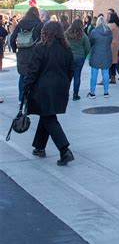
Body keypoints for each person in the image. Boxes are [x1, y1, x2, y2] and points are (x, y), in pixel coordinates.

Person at [23, 21, 75, 166]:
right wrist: (65, 83)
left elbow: (33, 71)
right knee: (46, 115)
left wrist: (26, 88)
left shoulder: (41, 48)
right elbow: (71, 70)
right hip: (60, 87)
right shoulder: (66, 49)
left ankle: (65, 149)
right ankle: (39, 147)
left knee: (49, 117)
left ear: (45, 32)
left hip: (43, 89)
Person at [10, 6, 43, 102]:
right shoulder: (39, 24)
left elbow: (12, 39)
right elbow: (42, 40)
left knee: (22, 76)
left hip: (22, 54)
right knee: (34, 77)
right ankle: (31, 98)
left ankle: (21, 97)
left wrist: (15, 49)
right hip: (35, 54)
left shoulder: (21, 23)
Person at [65, 18, 91, 101]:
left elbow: (63, 43)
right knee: (77, 76)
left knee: (68, 76)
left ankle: (65, 94)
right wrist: (84, 55)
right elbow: (87, 47)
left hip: (69, 57)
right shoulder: (83, 35)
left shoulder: (67, 33)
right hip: (80, 57)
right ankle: (75, 95)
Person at [88, 15, 112, 98]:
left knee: (94, 74)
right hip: (106, 54)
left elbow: (90, 42)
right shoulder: (109, 31)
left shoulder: (94, 32)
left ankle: (92, 92)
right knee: (105, 74)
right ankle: (106, 92)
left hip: (95, 54)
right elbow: (110, 41)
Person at [107, 9, 119, 83]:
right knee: (114, 61)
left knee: (108, 62)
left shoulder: (110, 25)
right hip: (116, 44)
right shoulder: (118, 25)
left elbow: (106, 35)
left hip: (110, 44)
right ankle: (113, 77)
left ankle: (107, 77)